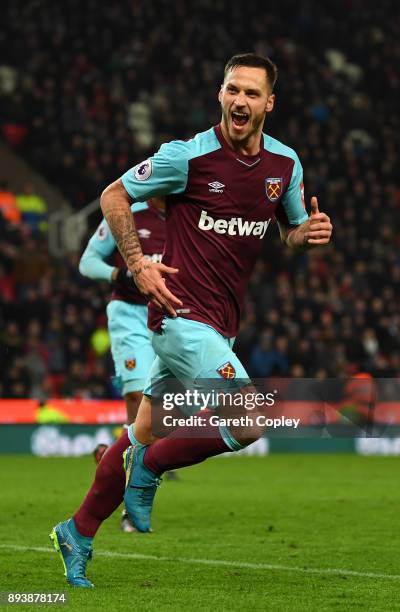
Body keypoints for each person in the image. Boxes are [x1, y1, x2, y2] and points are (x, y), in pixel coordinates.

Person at [50, 53, 332, 587]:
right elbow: (114, 194)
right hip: (178, 318)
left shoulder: (284, 166)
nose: (239, 101)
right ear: (219, 93)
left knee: (137, 435)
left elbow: (290, 233)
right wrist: (136, 265)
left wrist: (306, 234)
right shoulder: (187, 157)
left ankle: (78, 531)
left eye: (251, 93)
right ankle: (154, 469)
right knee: (247, 419)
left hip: (220, 323)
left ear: (270, 102)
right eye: (232, 90)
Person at [78, 197, 176, 532]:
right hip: (130, 315)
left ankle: (113, 456)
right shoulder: (128, 215)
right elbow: (88, 263)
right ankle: (132, 499)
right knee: (137, 395)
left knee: (160, 408)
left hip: (170, 314)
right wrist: (123, 274)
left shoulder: (188, 215)